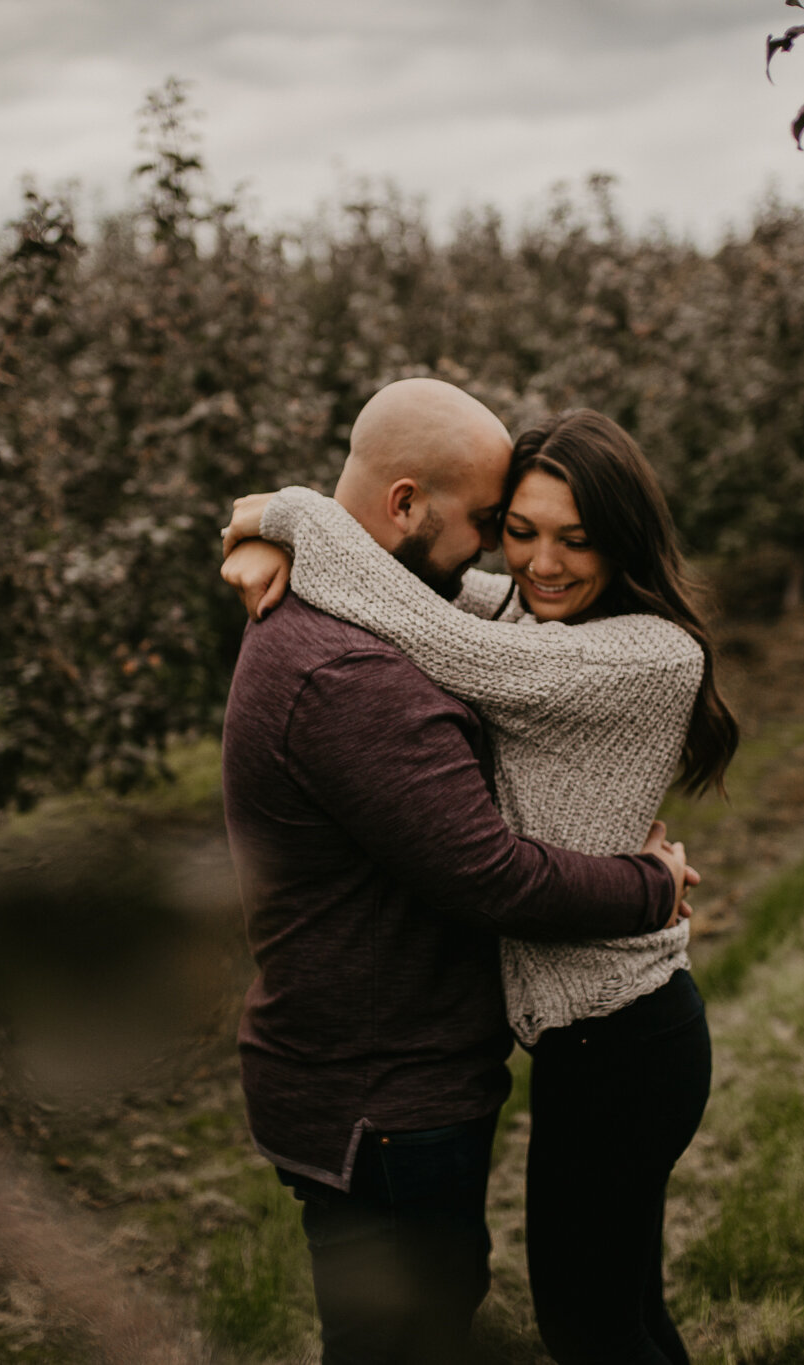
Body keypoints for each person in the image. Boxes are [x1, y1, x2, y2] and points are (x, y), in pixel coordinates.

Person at [224, 405, 737, 1365]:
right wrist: (256, 541)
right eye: (520, 531)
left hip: (627, 1040)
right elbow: (389, 579)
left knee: (591, 1326)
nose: (542, 563)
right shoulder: (516, 608)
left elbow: (432, 631)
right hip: (584, 1042)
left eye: (578, 540)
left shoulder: (646, 652)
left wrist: (285, 521)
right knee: (623, 1312)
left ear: (624, 540)